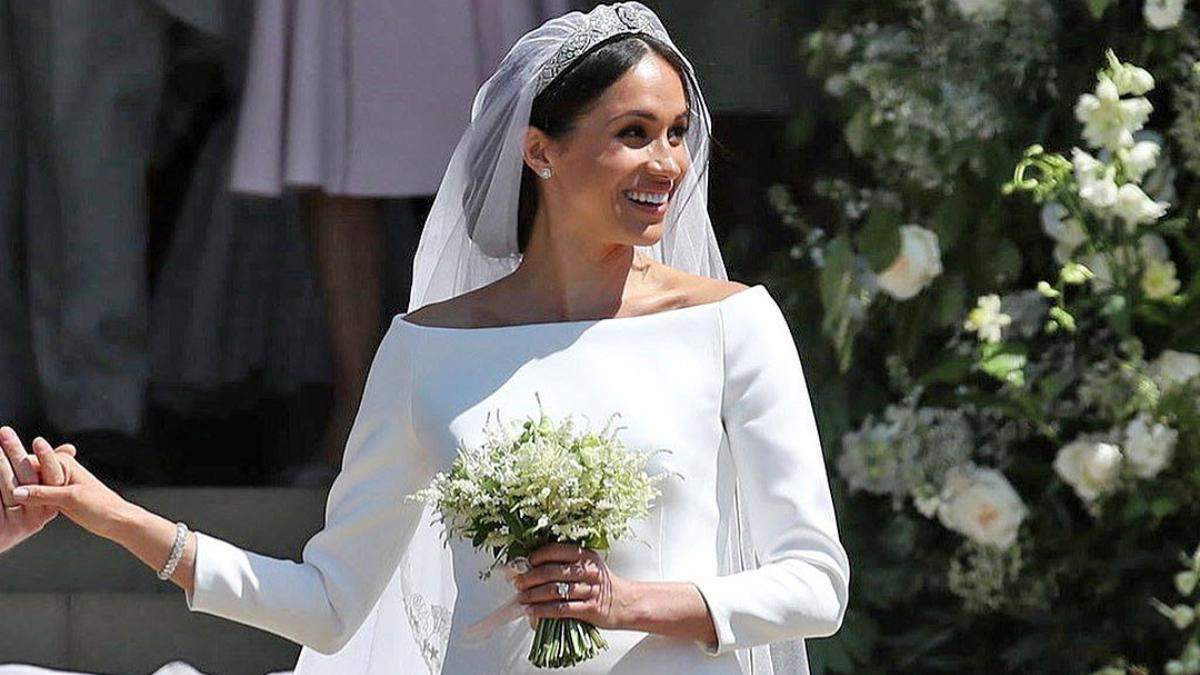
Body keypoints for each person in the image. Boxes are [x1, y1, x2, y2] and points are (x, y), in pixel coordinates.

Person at [5, 4, 851, 674]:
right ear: (540, 151)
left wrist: (629, 602)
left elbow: (816, 584)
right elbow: (328, 603)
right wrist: (116, 517)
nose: (667, 163)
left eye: (676, 133)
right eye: (633, 133)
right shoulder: (427, 347)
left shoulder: (732, 324)